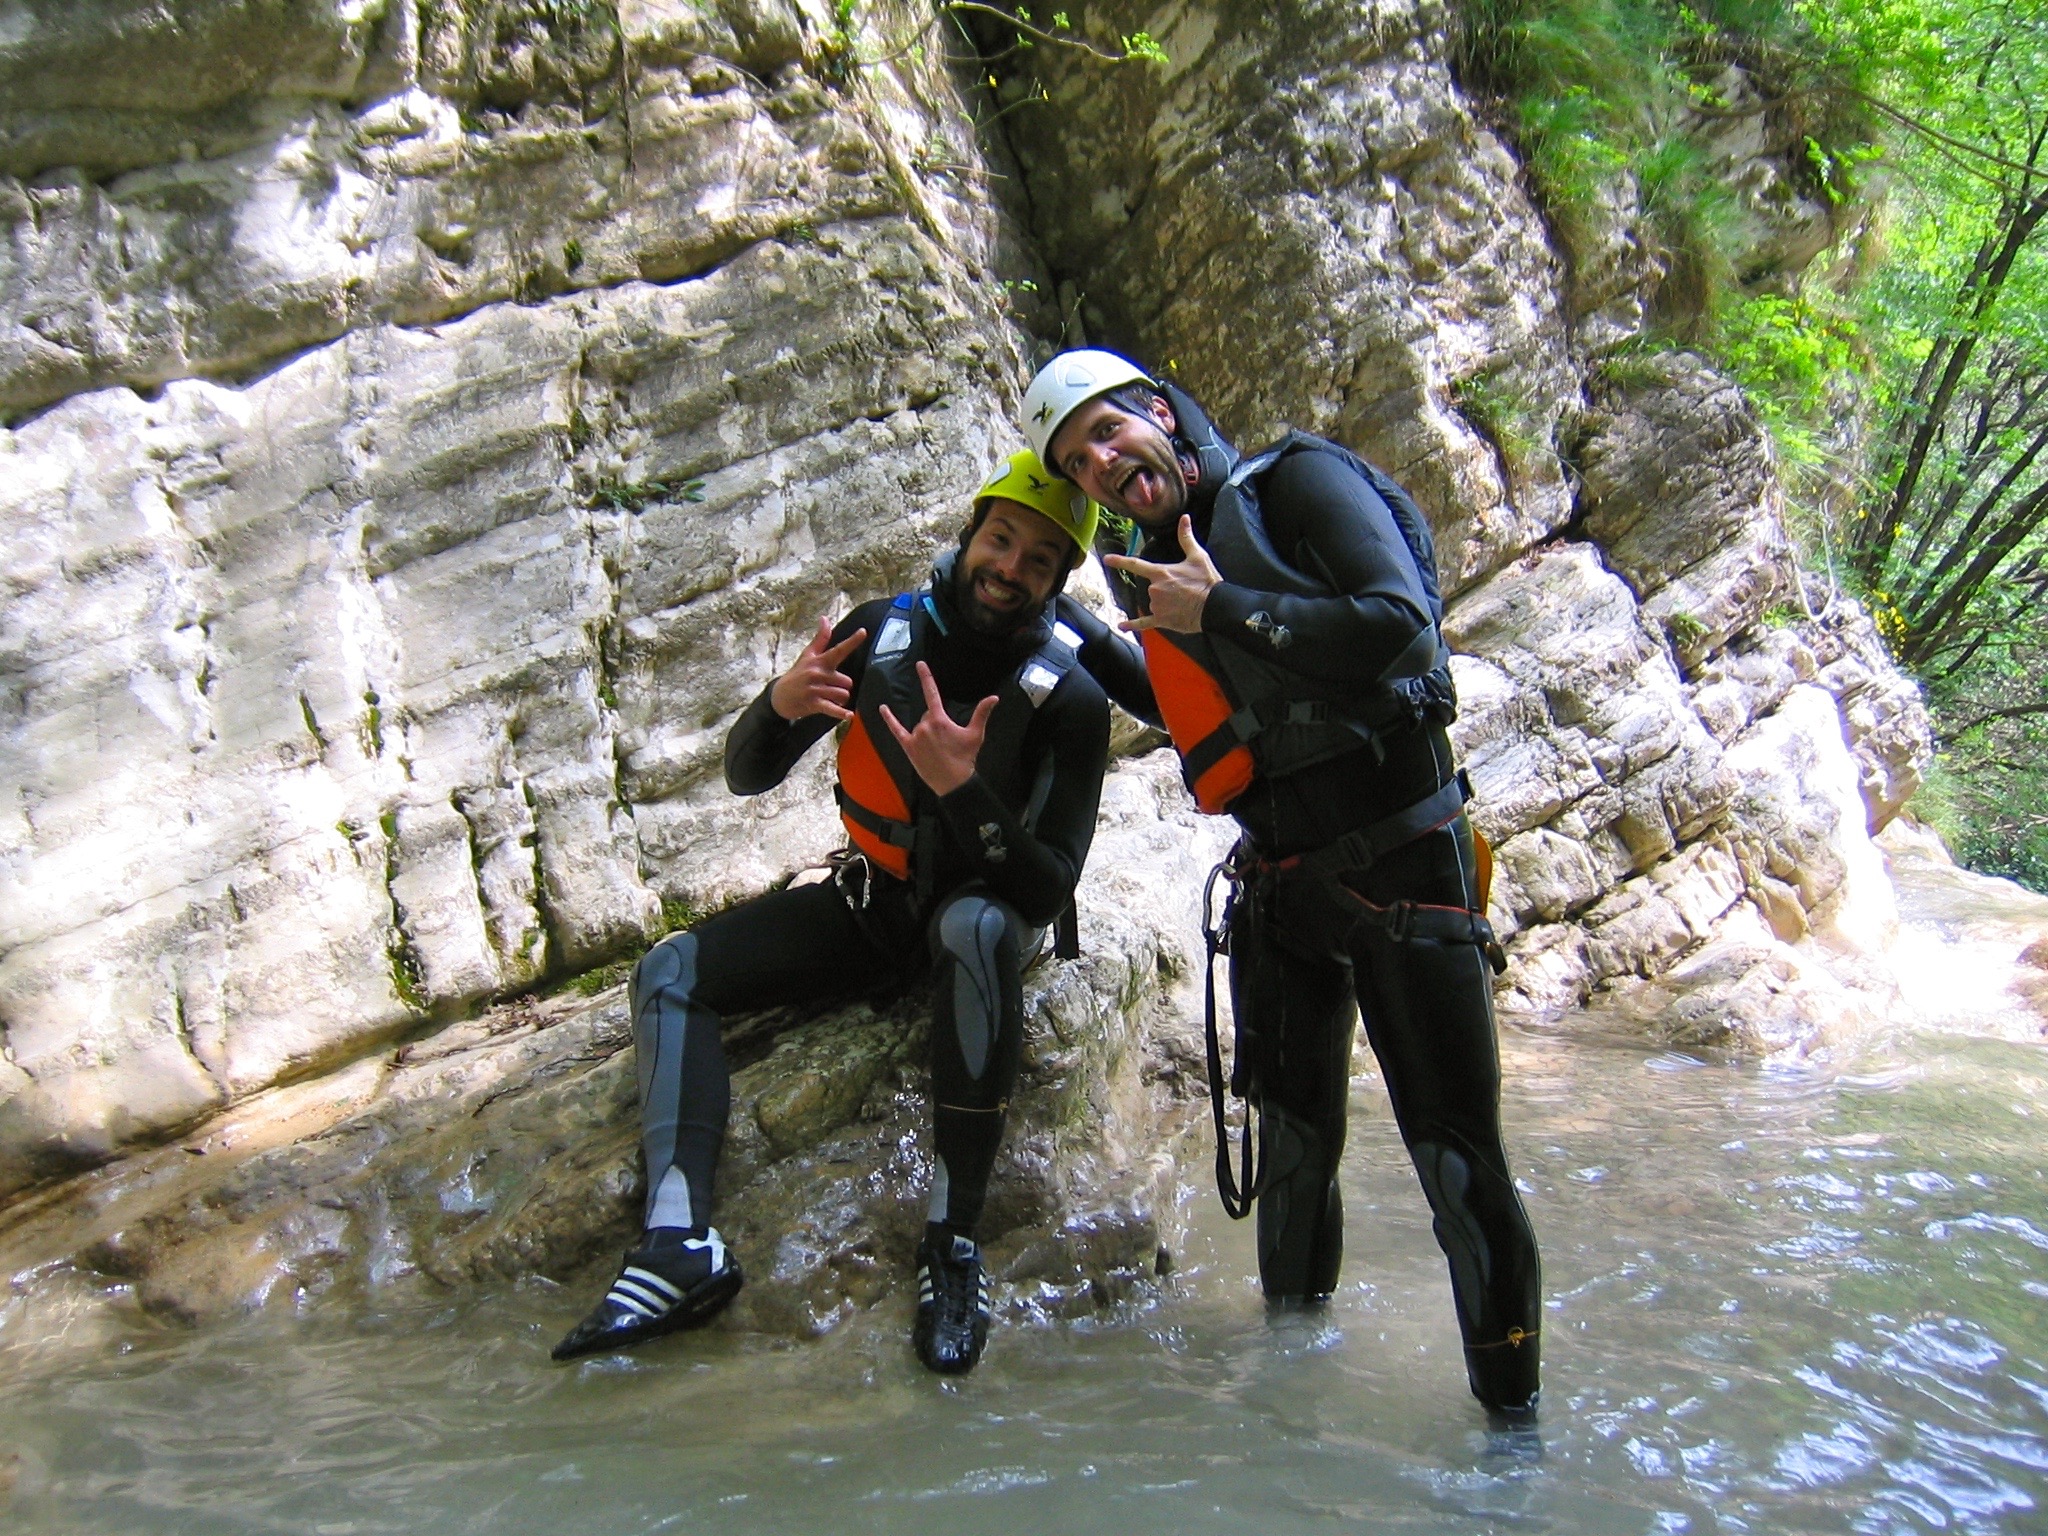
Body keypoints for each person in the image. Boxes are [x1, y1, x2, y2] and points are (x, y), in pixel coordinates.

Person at [1022, 350, 1543, 1421]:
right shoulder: (1160, 570)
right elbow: (1202, 715)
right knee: (1291, 1154)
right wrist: (1062, 625)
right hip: (1280, 893)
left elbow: (1396, 622)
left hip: (1404, 867)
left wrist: (1216, 613)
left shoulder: (1294, 484)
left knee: (1455, 1169)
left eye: (1109, 434)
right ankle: (1285, 1406)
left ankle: (1510, 1444)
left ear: (1160, 414)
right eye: (1079, 463)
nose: (1102, 464)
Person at [552, 451, 1110, 1375]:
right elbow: (747, 774)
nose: (1010, 568)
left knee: (971, 929)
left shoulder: (1071, 697)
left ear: (1058, 580)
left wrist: (964, 791)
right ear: (970, 534)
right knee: (669, 971)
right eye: (1000, 539)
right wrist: (775, 707)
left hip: (987, 913)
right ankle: (678, 1244)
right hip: (874, 906)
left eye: (1040, 559)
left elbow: (1045, 889)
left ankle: (951, 1244)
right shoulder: (879, 637)